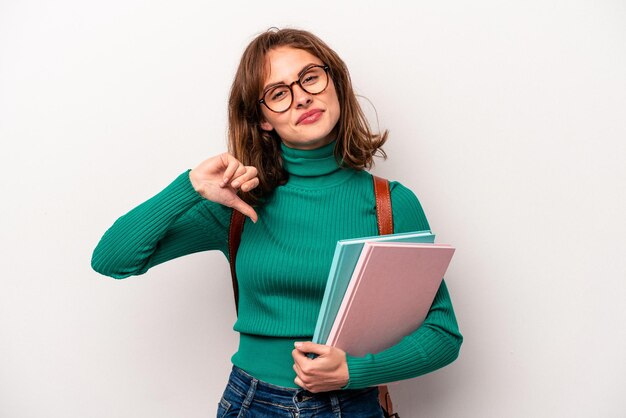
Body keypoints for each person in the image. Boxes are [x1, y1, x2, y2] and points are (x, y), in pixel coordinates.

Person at [92, 27, 463, 418]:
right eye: (278, 93)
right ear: (263, 119)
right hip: (250, 404)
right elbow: (113, 259)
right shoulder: (239, 202)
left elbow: (443, 334)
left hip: (351, 406)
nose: (302, 96)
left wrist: (354, 372)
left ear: (334, 81)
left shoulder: (390, 203)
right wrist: (189, 186)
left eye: (310, 77)